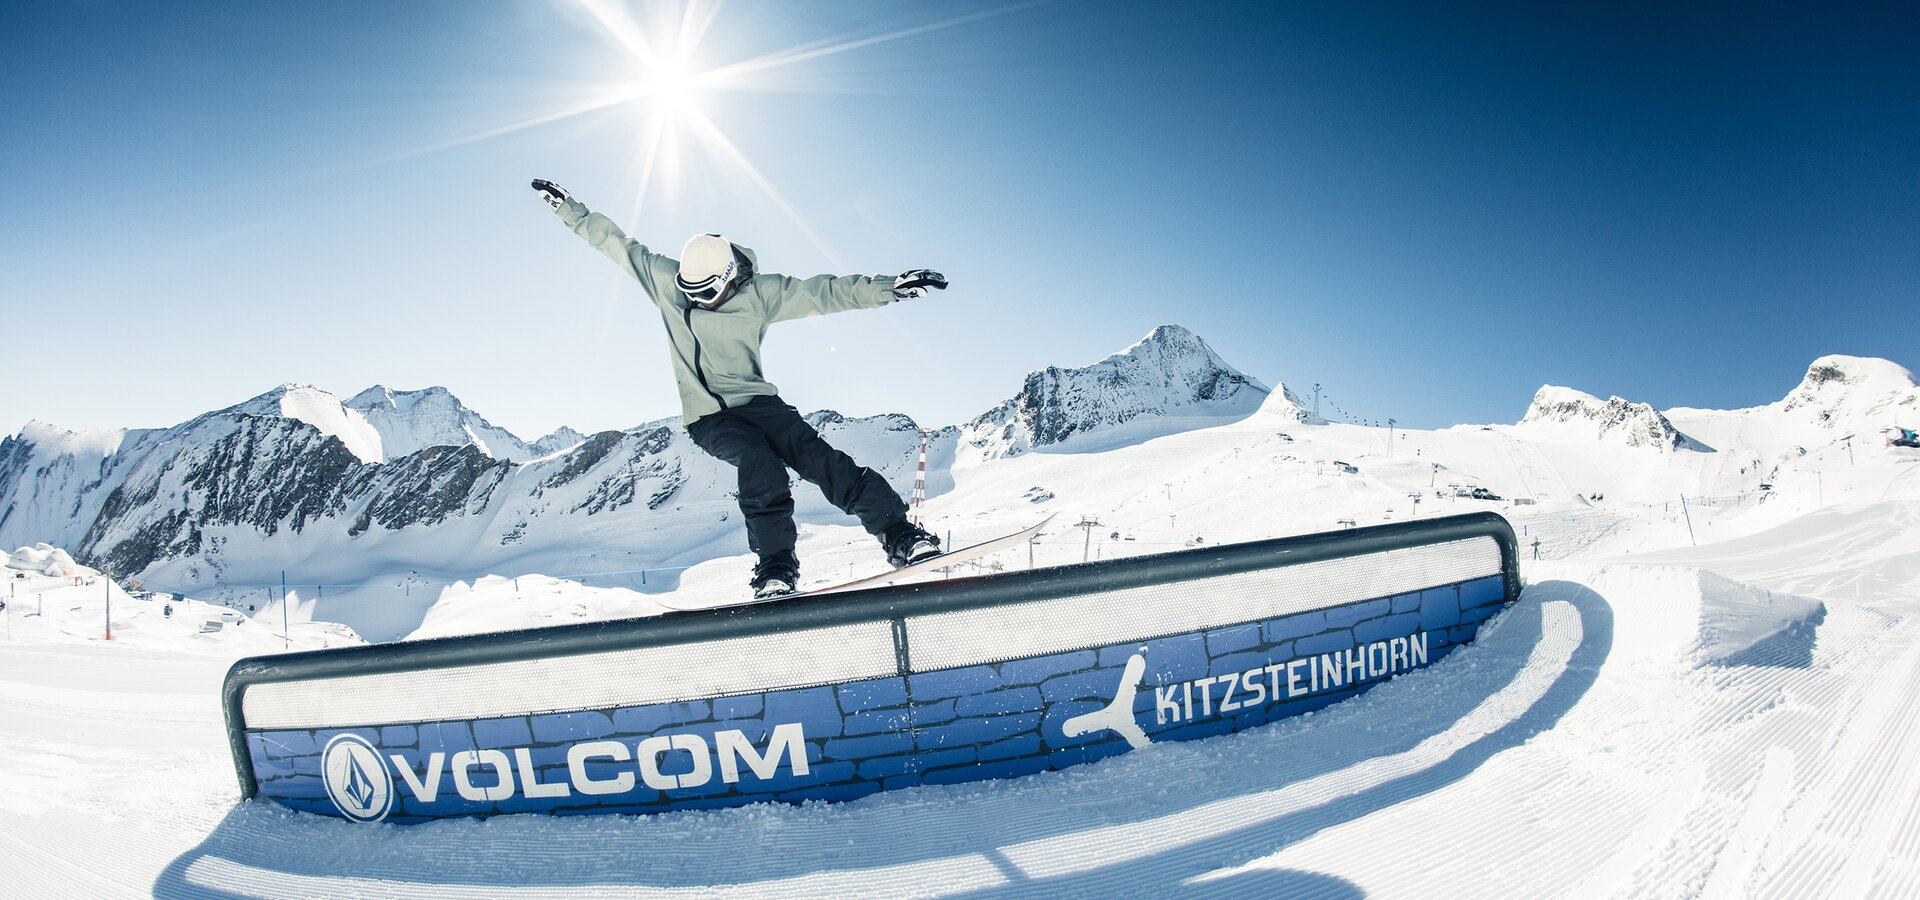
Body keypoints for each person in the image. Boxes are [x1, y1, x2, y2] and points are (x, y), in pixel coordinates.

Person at [532, 178, 946, 597]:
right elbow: (616, 243)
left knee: (822, 460)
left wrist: (887, 288)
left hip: (761, 404)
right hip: (709, 418)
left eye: (708, 292)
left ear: (729, 276)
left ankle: (900, 535)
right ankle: (776, 567)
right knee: (758, 463)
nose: (699, 301)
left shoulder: (760, 295)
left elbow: (823, 292)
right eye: (689, 292)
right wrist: (568, 208)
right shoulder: (665, 280)